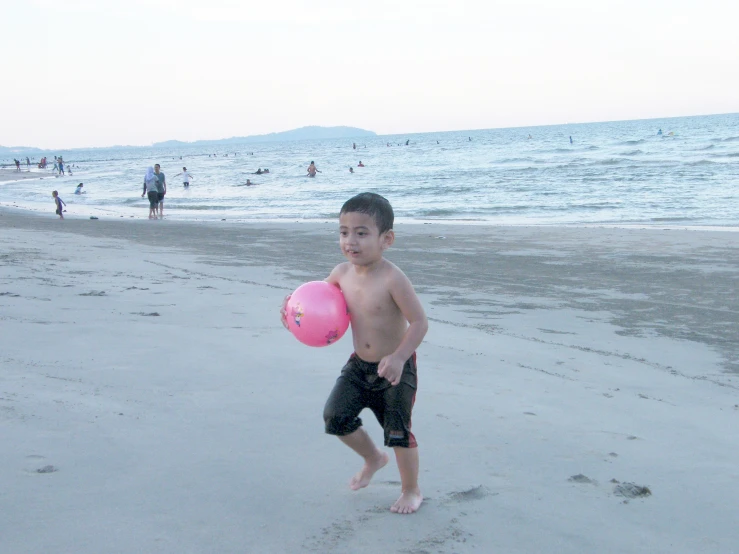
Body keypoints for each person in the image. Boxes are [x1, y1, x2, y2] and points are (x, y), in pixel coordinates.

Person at [281, 192, 428, 514]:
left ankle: (411, 489)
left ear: (386, 239)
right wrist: (293, 316)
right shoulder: (340, 274)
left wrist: (401, 357)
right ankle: (373, 458)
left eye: (362, 233)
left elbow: (419, 322)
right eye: (344, 232)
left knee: (399, 433)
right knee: (335, 417)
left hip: (395, 370)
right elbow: (316, 306)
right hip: (359, 366)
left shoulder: (393, 278)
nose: (351, 241)